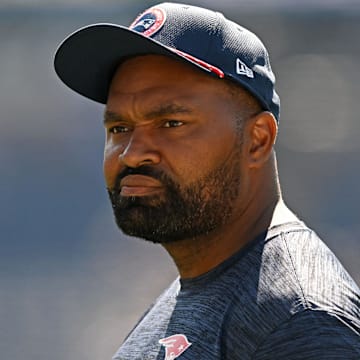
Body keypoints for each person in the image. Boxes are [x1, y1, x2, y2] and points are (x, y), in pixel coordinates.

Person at [54, 2, 360, 359]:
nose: (133, 154)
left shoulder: (300, 319)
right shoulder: (186, 298)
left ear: (257, 139)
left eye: (171, 123)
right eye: (120, 128)